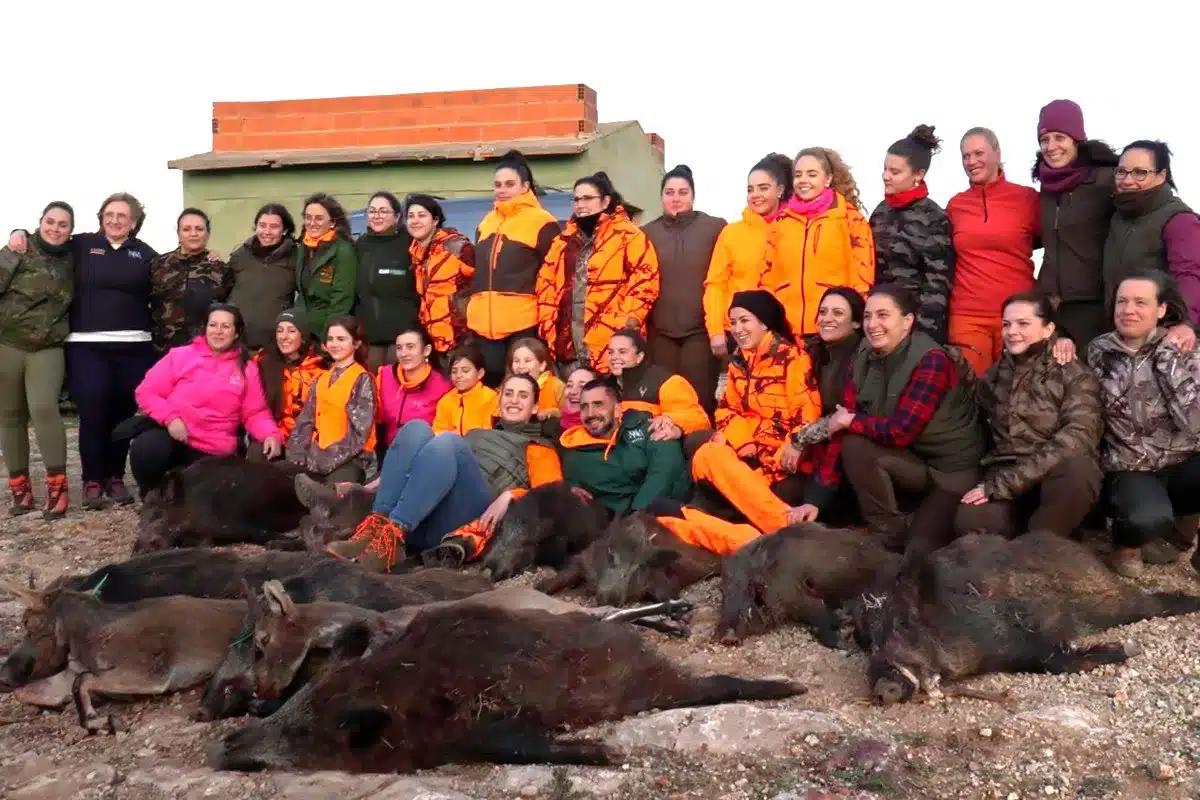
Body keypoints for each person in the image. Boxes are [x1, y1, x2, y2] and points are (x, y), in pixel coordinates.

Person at [802, 284, 985, 550]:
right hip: (912, 460)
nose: (873, 324)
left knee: (918, 550)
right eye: (867, 316)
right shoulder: (863, 355)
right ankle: (885, 530)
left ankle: (915, 529)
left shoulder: (931, 360)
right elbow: (842, 424)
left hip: (951, 471)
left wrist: (850, 421)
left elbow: (901, 430)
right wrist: (816, 500)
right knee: (854, 444)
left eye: (883, 315)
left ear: (907, 321)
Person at [9, 193, 159, 509]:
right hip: (86, 346)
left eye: (123, 216)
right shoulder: (81, 245)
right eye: (110, 214)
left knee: (122, 414)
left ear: (133, 223)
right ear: (101, 217)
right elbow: (47, 239)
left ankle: (115, 477)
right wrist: (18, 233)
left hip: (135, 347)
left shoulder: (146, 255)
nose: (115, 220)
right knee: (92, 411)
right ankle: (92, 479)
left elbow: (170, 281)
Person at [327, 373, 562, 572]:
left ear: (535, 407)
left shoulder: (537, 447)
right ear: (499, 402)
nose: (514, 400)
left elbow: (553, 497)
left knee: (449, 442)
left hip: (473, 516)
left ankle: (393, 536)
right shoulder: (477, 433)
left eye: (523, 396)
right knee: (416, 429)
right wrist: (379, 482)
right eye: (508, 393)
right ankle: (377, 530)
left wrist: (512, 495)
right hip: (426, 512)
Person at [955, 292, 1103, 538]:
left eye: (1023, 324)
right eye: (1006, 324)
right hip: (1005, 471)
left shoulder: (1073, 372)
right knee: (969, 523)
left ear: (1048, 329)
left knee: (1080, 472)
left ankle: (1042, 541)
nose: (1012, 331)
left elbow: (1079, 436)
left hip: (1052, 474)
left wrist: (1008, 483)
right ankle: (1025, 536)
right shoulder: (995, 375)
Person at [1088, 271, 1200, 577]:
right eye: (1122, 302)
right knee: (1146, 518)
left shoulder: (1186, 350)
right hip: (1130, 466)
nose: (1128, 310)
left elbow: (1193, 423)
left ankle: (1182, 536)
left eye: (1140, 302)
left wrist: (1167, 359)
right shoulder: (1099, 351)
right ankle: (1127, 542)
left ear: (1161, 309)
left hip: (1182, 460)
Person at [689, 290, 822, 532]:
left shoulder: (792, 359)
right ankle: (773, 522)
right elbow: (726, 409)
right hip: (748, 455)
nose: (737, 329)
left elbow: (807, 415)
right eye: (733, 323)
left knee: (717, 479)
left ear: (764, 323)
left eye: (744, 320)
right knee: (705, 455)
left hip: (783, 462)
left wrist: (777, 459)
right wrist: (742, 443)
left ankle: (780, 527)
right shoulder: (738, 361)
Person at [131, 304, 282, 497]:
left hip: (214, 448)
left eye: (226, 327)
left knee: (209, 498)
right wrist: (171, 419)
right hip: (176, 436)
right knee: (147, 448)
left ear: (236, 333)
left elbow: (255, 412)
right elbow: (147, 392)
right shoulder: (180, 356)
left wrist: (270, 434)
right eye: (213, 325)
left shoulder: (247, 368)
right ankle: (152, 495)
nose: (218, 331)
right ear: (205, 328)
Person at [537, 171, 660, 374]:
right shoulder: (562, 241)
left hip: (612, 350)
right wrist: (547, 324)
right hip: (565, 351)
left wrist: (625, 323)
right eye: (576, 199)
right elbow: (545, 284)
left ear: (605, 202)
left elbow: (646, 281)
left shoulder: (629, 236)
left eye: (587, 198)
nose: (580, 204)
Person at [946, 127, 1041, 377]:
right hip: (967, 315)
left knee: (1019, 392)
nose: (971, 162)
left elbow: (1050, 242)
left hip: (1018, 312)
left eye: (979, 153)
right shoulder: (956, 205)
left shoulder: (1027, 199)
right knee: (969, 393)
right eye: (965, 156)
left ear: (997, 153)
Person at [0, 202, 74, 519]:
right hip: (8, 343)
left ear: (71, 230)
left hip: (48, 346)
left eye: (63, 224)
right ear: (39, 222)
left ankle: (57, 486)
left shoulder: (74, 256)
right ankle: (20, 487)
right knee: (10, 415)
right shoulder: (19, 248)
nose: (55, 228)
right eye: (50, 221)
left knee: (44, 408)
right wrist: (14, 236)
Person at [1031, 100, 1119, 352]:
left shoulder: (1105, 181)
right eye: (1044, 139)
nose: (1051, 146)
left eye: (1060, 137)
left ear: (1077, 140)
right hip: (1050, 307)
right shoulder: (1046, 188)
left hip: (1092, 306)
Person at [469, 150, 561, 386]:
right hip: (483, 327)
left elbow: (554, 275)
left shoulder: (543, 222)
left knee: (523, 388)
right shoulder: (485, 222)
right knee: (490, 392)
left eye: (510, 184)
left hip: (522, 324)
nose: (502, 189)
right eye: (497, 184)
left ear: (525, 186)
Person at [761, 147, 875, 337]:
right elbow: (766, 276)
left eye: (812, 174)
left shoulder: (850, 219)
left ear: (828, 179)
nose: (803, 180)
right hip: (788, 332)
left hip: (835, 331)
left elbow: (863, 276)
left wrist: (855, 321)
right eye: (798, 175)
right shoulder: (780, 222)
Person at [642, 164, 726, 412]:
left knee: (699, 400)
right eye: (669, 192)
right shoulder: (646, 233)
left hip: (699, 331)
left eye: (683, 192)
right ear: (661, 196)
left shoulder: (715, 227)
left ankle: (700, 448)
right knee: (665, 400)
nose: (676, 198)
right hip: (660, 333)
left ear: (693, 196)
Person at [704, 154, 794, 362]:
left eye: (763, 188)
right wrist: (715, 329)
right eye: (750, 189)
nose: (755, 195)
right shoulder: (732, 233)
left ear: (780, 190)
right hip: (739, 336)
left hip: (783, 335)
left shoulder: (794, 230)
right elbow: (715, 284)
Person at [558, 376, 692, 515]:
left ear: (617, 409)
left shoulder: (645, 427)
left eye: (598, 405)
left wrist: (640, 512)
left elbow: (667, 466)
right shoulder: (574, 454)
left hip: (669, 512)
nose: (591, 413)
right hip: (617, 527)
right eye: (584, 407)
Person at [870, 126, 953, 343]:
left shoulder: (933, 217)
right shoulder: (879, 213)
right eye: (885, 169)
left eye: (895, 172)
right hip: (878, 326)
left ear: (918, 175)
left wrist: (919, 334)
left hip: (917, 330)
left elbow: (938, 283)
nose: (886, 177)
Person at [1104, 140, 1200, 327]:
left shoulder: (1180, 220)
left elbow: (1190, 275)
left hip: (1163, 336)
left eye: (1140, 173)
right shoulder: (1118, 215)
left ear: (1161, 175)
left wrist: (1183, 323)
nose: (1128, 180)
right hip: (1122, 333)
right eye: (1121, 171)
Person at [792, 287, 866, 523]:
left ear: (856, 323)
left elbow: (842, 418)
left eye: (837, 313)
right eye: (823, 312)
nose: (827, 318)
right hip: (816, 449)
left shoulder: (862, 357)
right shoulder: (812, 352)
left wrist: (799, 439)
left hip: (843, 457)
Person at [287, 315, 377, 484]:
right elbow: (305, 420)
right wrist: (298, 454)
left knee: (335, 491)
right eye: (330, 339)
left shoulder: (362, 379)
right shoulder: (320, 379)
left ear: (356, 343)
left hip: (350, 460)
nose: (334, 344)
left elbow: (359, 435)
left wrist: (325, 459)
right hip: (317, 456)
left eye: (341, 339)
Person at [149, 208, 232, 353]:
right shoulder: (158, 265)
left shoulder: (220, 269)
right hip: (163, 352)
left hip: (205, 353)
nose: (193, 234)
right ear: (178, 234)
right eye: (186, 229)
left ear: (207, 233)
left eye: (199, 229)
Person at [606, 329, 710, 441]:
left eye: (622, 352)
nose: (614, 357)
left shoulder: (667, 382)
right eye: (611, 352)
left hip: (652, 446)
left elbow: (699, 419)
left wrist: (671, 420)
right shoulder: (603, 385)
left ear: (639, 357)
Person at [406, 194, 475, 356]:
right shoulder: (416, 254)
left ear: (435, 220)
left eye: (422, 215)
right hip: (433, 341)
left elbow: (481, 284)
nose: (415, 220)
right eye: (411, 216)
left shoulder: (457, 248)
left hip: (461, 340)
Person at [253, 309, 328, 457]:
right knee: (256, 453)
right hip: (273, 435)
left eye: (291, 331)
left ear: (303, 336)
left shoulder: (321, 369)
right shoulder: (262, 362)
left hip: (308, 441)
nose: (284, 337)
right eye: (280, 331)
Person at [354, 191, 415, 371]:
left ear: (396, 216)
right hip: (369, 340)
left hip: (401, 340)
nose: (376, 216)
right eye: (372, 211)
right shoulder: (361, 245)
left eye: (383, 211)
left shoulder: (409, 244)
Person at [227, 203, 299, 351]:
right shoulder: (240, 255)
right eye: (262, 225)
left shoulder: (295, 257)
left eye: (274, 227)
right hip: (237, 343)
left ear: (284, 229)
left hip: (275, 345)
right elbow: (223, 288)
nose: (267, 231)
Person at [294, 193, 357, 344]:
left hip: (327, 333)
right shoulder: (304, 246)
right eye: (308, 217)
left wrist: (328, 338)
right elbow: (302, 294)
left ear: (332, 222)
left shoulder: (343, 250)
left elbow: (341, 299)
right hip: (306, 332)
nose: (312, 223)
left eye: (318, 218)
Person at [375, 325, 451, 450]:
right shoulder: (384, 375)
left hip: (426, 453)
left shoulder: (443, 385)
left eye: (410, 347)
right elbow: (376, 417)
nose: (404, 353)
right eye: (399, 348)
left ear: (426, 350)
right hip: (390, 451)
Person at [433, 343, 497, 436]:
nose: (459, 376)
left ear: (480, 373)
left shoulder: (491, 398)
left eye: (465, 371)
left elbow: (490, 432)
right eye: (454, 371)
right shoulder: (445, 401)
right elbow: (438, 431)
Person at [508, 336, 564, 417]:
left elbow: (569, 416)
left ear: (542, 365)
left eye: (527, 361)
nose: (521, 366)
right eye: (516, 361)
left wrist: (553, 413)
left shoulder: (556, 386)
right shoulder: (506, 387)